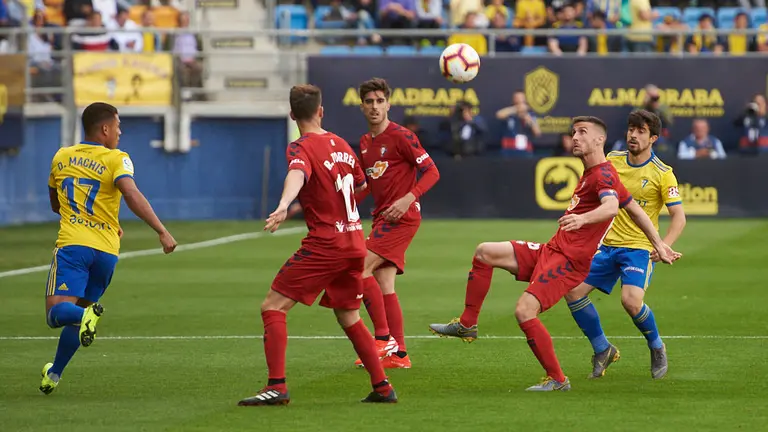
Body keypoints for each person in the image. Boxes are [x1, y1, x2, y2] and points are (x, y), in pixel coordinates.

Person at [429, 116, 680, 392]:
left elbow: (610, 207)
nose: (574, 137)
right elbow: (633, 209)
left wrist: (583, 220)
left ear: (599, 139)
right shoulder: (599, 170)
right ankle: (467, 324)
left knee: (525, 310)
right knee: (484, 252)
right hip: (552, 250)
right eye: (573, 132)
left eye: (582, 132)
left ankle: (558, 380)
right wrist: (659, 243)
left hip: (569, 262)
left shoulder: (604, 175)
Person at [237, 85, 397, 406]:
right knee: (349, 315)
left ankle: (277, 387)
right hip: (354, 242)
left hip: (327, 243)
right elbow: (362, 185)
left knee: (273, 306)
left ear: (293, 115)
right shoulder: (341, 144)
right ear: (321, 111)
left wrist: (284, 203)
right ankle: (382, 387)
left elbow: (297, 173)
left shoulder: (300, 147)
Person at [41, 102, 177, 395]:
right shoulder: (118, 159)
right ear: (104, 129)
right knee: (80, 312)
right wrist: (161, 231)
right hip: (106, 253)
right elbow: (130, 192)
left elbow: (56, 204)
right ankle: (54, 372)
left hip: (74, 246)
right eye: (117, 126)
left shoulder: (61, 157)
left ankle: (83, 318)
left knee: (56, 313)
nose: (120, 131)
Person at [564, 110, 686, 380]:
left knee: (631, 302)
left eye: (641, 131)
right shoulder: (612, 160)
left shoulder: (663, 174)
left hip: (639, 249)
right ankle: (602, 349)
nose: (633, 134)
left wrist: (663, 245)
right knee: (572, 291)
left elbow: (679, 216)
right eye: (631, 129)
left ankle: (656, 346)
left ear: (653, 138)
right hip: (606, 246)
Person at [352, 77, 441, 369]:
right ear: (362, 106)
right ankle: (400, 354)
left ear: (388, 104)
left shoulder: (402, 136)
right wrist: (347, 202)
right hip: (382, 218)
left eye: (380, 101)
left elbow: (431, 172)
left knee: (359, 267)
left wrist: (408, 198)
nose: (375, 107)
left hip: (402, 217)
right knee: (384, 282)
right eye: (369, 102)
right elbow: (368, 184)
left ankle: (382, 339)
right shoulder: (365, 143)